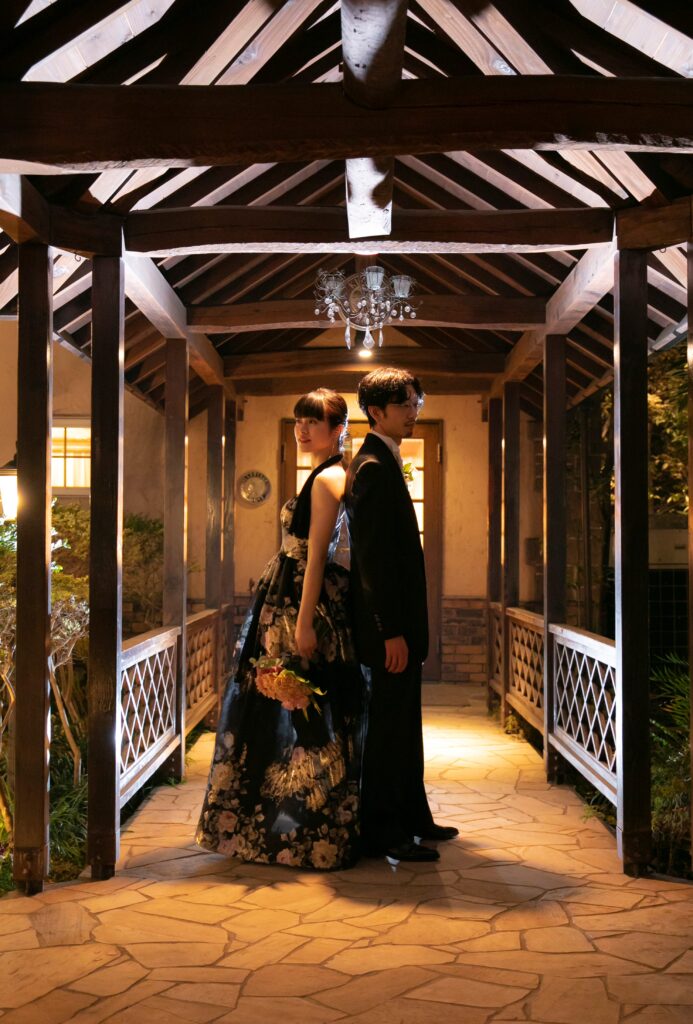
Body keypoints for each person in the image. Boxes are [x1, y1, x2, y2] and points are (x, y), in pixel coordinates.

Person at [196, 388, 366, 870]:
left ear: (338, 429)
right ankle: (287, 828)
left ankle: (306, 834)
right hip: (289, 597)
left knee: (303, 711)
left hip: (300, 603)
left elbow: (317, 557)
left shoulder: (328, 478)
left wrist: (305, 622)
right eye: (299, 421)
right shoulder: (327, 474)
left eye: (314, 421)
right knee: (290, 708)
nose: (303, 429)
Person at [345, 367, 459, 863]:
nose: (414, 412)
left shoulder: (386, 459)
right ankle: (384, 831)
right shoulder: (372, 467)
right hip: (388, 630)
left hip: (403, 626)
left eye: (417, 403)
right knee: (388, 731)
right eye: (406, 404)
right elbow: (372, 561)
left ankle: (414, 816)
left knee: (406, 724)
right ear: (376, 412)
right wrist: (388, 630)